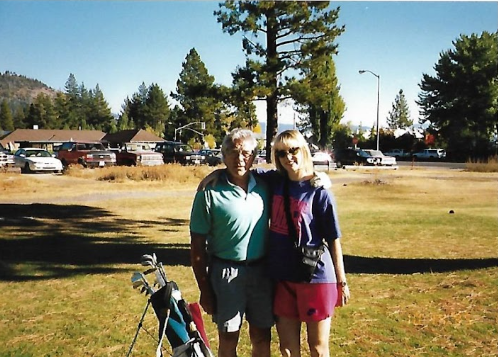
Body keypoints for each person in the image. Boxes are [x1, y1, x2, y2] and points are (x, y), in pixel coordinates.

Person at [189, 128, 273, 357]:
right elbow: (197, 248)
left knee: (262, 336)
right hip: (226, 274)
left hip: (262, 273)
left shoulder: (266, 186)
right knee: (228, 338)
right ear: (223, 155)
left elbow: (297, 177)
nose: (240, 159)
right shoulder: (209, 191)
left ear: (255, 155)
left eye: (246, 153)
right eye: (233, 152)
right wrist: (205, 290)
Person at [267, 129, 350, 357]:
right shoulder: (274, 182)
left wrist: (341, 281)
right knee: (286, 348)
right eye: (282, 153)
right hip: (283, 277)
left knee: (318, 348)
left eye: (293, 150)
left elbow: (334, 239)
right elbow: (240, 171)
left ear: (303, 150)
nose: (288, 157)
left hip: (315, 277)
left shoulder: (319, 191)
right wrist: (212, 176)